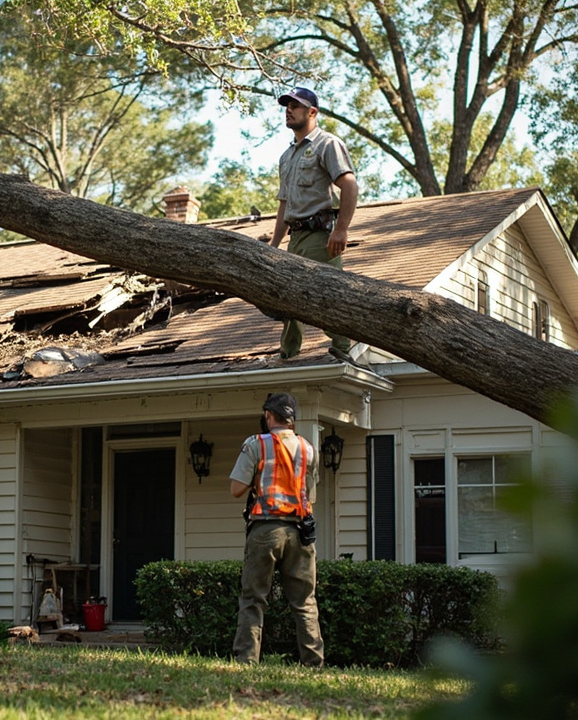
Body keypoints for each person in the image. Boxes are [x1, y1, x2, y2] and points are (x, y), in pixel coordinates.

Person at [229, 392, 324, 667]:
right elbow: (310, 496)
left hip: (265, 530)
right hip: (300, 532)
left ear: (268, 416)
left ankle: (246, 661)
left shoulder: (256, 444)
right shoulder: (308, 449)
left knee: (253, 599)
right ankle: (314, 663)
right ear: (292, 420)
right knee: (305, 602)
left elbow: (236, 489)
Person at [269, 87, 360, 363]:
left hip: (321, 234)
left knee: (328, 293)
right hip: (295, 236)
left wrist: (341, 229)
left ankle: (343, 349)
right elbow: (284, 204)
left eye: (295, 105)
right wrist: (274, 245)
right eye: (286, 105)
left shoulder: (327, 144)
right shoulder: (287, 156)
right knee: (288, 296)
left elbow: (350, 185)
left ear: (312, 112)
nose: (289, 110)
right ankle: (288, 352)